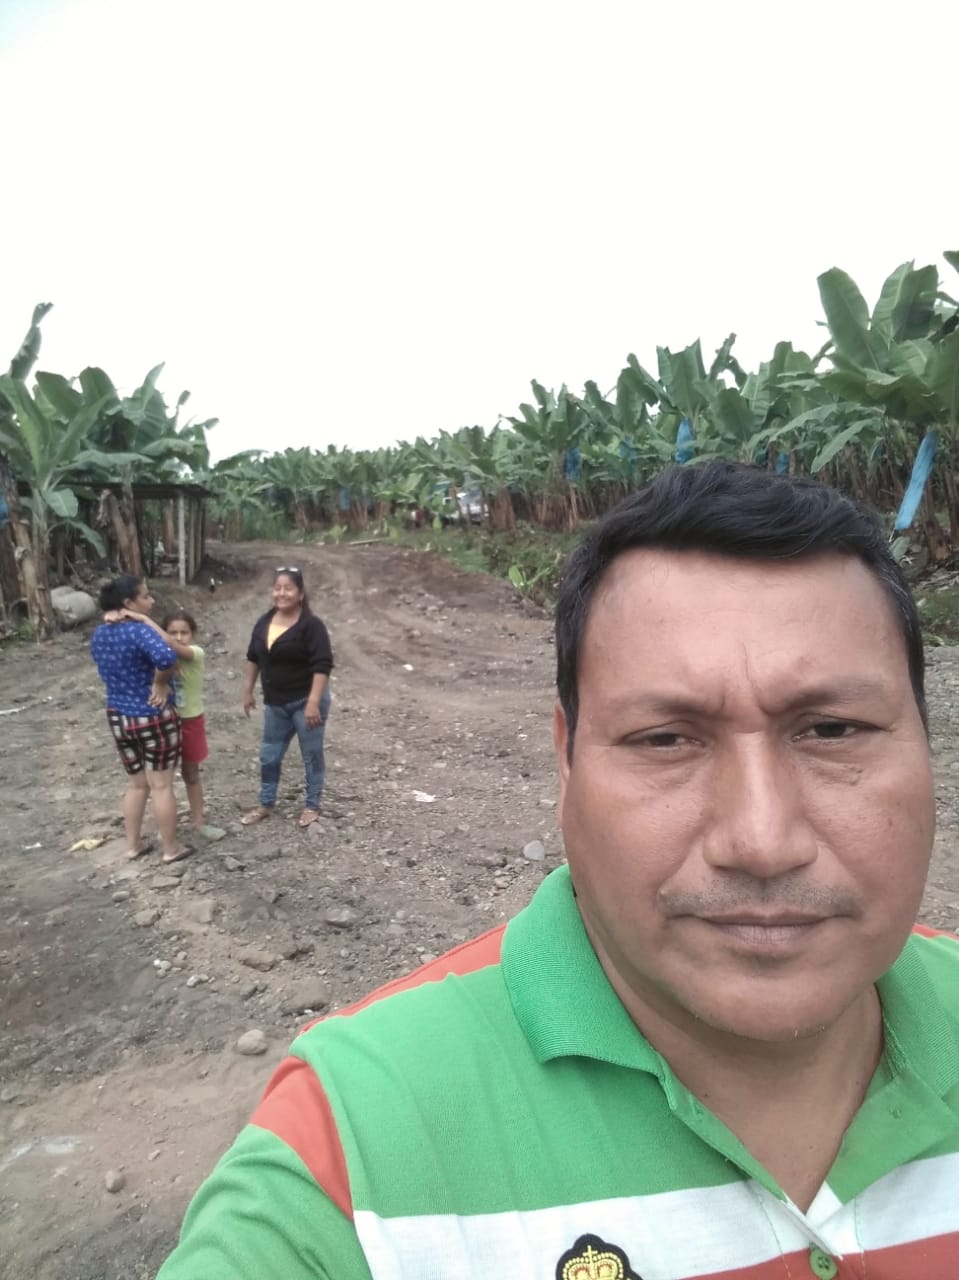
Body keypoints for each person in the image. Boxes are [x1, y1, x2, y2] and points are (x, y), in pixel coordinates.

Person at [157, 462, 959, 1278]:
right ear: (565, 762)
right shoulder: (353, 1149)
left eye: (831, 730)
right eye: (664, 739)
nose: (761, 841)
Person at [90, 575, 191, 865]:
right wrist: (160, 683)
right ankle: (171, 848)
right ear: (128, 603)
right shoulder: (139, 631)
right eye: (146, 596)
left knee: (137, 785)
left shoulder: (100, 633)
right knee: (161, 785)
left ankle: (132, 845)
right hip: (152, 716)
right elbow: (167, 658)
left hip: (118, 716)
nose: (152, 600)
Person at [241, 566, 334, 828]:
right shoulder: (264, 622)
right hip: (275, 704)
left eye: (288, 588)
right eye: (277, 588)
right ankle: (265, 803)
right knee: (269, 755)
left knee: (311, 755)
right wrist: (248, 690)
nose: (282, 593)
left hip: (306, 702)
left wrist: (313, 702)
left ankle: (312, 805)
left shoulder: (311, 626)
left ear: (301, 594)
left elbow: (322, 665)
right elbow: (253, 657)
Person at [161, 609, 226, 843]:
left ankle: (198, 822)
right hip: (165, 720)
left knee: (191, 773)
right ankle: (166, 826)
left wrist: (143, 621)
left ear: (193, 634)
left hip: (190, 720)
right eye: (173, 632)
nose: (179, 637)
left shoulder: (195, 653)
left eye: (184, 632)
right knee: (162, 780)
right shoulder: (159, 656)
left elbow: (175, 648)